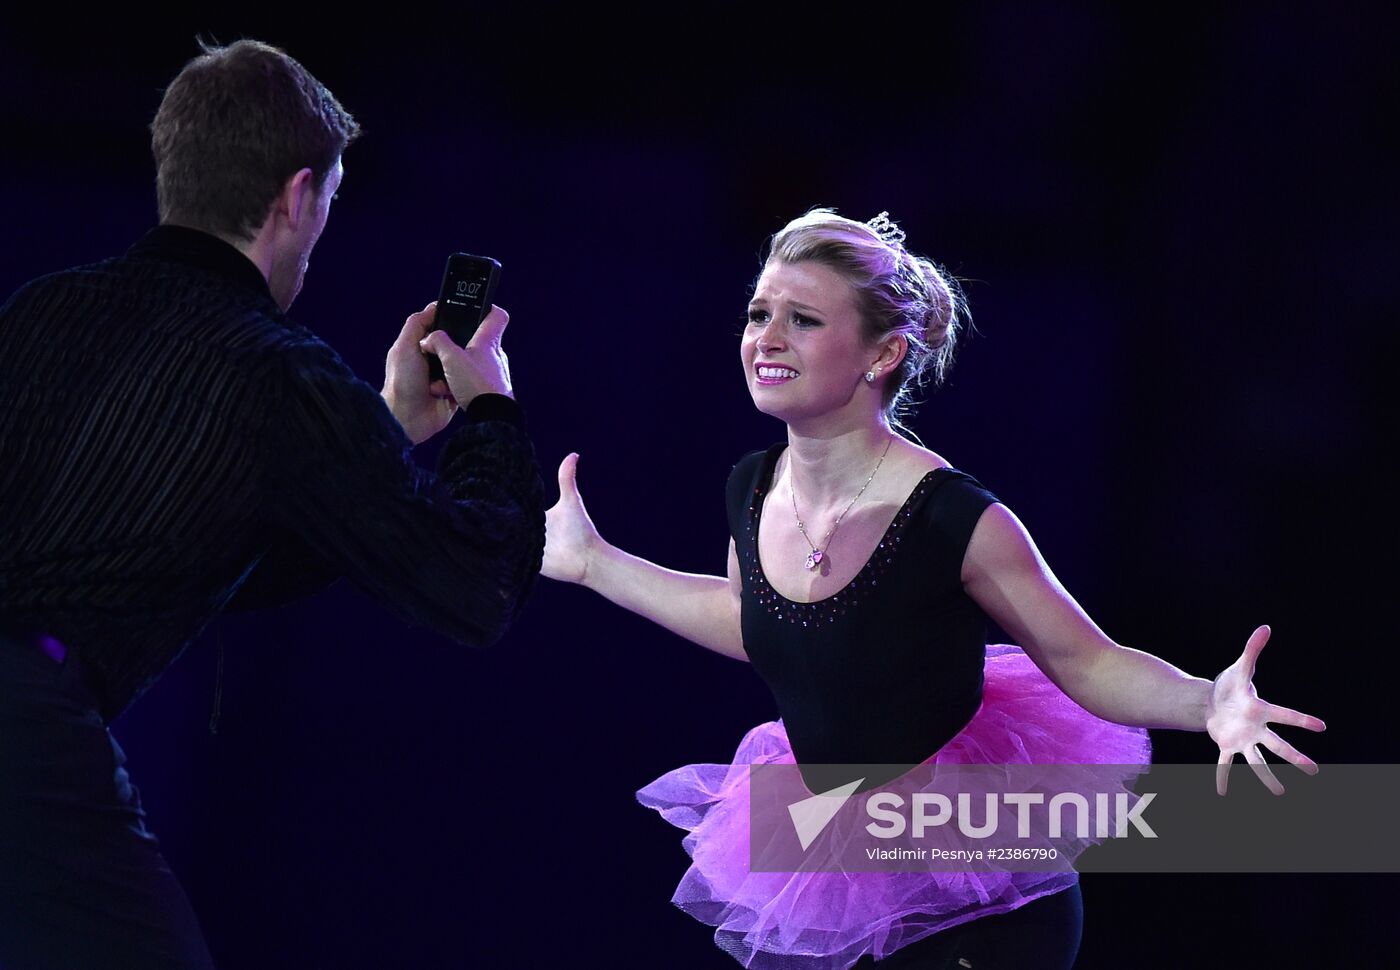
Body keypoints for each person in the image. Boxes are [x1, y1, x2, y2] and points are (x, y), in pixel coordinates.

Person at [540, 209, 1325, 968]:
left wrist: (1204, 702)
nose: (766, 338)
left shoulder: (953, 516)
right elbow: (755, 621)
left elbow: (1086, 663)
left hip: (971, 887)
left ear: (881, 355)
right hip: (837, 864)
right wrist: (594, 563)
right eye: (758, 313)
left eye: (803, 320)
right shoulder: (753, 486)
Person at [0, 40, 544, 969]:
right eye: (328, 200)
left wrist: (383, 431)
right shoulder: (276, 370)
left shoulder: (38, 310)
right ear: (298, 197)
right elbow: (474, 586)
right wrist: (489, 411)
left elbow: (195, 551)